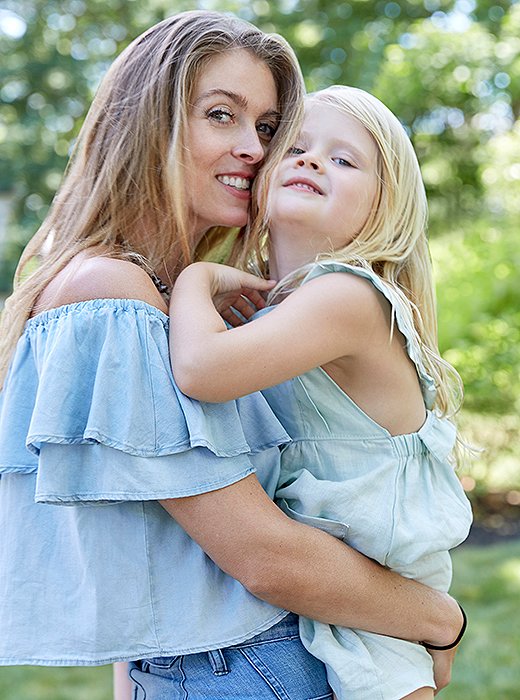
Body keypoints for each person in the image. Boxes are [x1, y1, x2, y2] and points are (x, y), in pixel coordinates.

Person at [0, 11, 464, 699]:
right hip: (253, 662)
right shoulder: (115, 291)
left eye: (268, 127)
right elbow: (259, 556)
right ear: (148, 122)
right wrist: (439, 618)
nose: (254, 147)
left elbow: (156, 554)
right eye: (223, 115)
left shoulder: (196, 308)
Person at [169, 85, 473, 699]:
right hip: (336, 598)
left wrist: (195, 278)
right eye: (297, 148)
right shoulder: (279, 314)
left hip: (376, 613)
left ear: (384, 207)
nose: (311, 161)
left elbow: (199, 371)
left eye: (343, 159)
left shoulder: (348, 297)